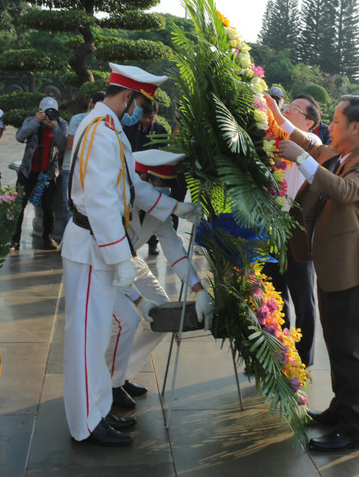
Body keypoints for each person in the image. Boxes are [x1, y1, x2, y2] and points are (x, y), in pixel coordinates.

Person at [61, 63, 198, 446]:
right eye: (140, 103)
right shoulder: (101, 132)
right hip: (91, 248)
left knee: (98, 334)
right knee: (88, 341)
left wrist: (174, 209)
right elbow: (102, 201)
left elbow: (134, 187)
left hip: (96, 246)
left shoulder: (108, 128)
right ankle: (86, 425)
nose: (140, 111)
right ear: (127, 97)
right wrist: (121, 258)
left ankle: (100, 409)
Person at [275, 94, 359, 453]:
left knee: (349, 350)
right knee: (338, 345)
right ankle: (341, 409)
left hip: (351, 269)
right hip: (331, 265)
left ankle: (355, 428)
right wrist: (277, 116)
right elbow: (308, 142)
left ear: (356, 127)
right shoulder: (343, 152)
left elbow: (343, 190)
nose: (331, 127)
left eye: (337, 122)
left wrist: (303, 159)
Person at [107, 149, 211, 407]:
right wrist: (136, 299)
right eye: (158, 185)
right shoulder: (117, 200)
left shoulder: (158, 209)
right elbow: (109, 253)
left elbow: (174, 249)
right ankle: (107, 383)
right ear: (141, 179)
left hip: (131, 263)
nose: (163, 193)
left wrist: (199, 290)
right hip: (105, 265)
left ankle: (121, 373)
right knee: (126, 321)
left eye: (167, 187)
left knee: (161, 314)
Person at [262, 93, 323, 368]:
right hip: (270, 227)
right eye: (287, 106)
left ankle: (304, 357)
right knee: (274, 294)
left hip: (296, 231)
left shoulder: (314, 145)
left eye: (294, 108)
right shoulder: (274, 140)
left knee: (303, 297)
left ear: (309, 122)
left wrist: (276, 111)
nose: (286, 109)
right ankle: (278, 348)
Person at [12, 96, 68, 251]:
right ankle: (14, 239)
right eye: (45, 111)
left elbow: (63, 145)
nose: (48, 115)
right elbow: (19, 136)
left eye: (52, 111)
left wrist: (54, 127)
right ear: (39, 110)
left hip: (48, 172)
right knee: (19, 205)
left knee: (48, 207)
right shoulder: (31, 120)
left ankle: (47, 238)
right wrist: (35, 122)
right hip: (28, 171)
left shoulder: (61, 123)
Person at [122, 102, 169, 256]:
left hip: (152, 174)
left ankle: (152, 242)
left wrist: (148, 174)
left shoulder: (161, 131)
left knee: (153, 207)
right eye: (144, 116)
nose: (147, 120)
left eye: (150, 117)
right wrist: (135, 172)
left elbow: (163, 158)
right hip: (132, 173)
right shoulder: (129, 128)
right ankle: (129, 240)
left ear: (155, 114)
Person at [62, 92, 106, 229]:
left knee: (89, 209)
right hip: (71, 169)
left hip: (91, 172)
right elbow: (70, 145)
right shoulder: (78, 119)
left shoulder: (107, 123)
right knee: (69, 206)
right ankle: (66, 243)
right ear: (93, 105)